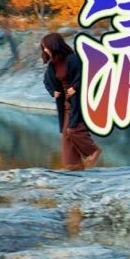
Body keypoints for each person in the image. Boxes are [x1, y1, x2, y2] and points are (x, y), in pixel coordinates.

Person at [41, 32, 101, 170]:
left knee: (73, 129)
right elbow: (47, 81)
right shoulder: (53, 64)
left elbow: (87, 74)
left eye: (46, 47)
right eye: (43, 47)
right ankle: (73, 165)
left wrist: (75, 87)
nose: (45, 50)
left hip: (77, 99)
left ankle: (93, 151)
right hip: (65, 101)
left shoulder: (72, 59)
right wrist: (53, 92)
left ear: (54, 46)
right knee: (66, 134)